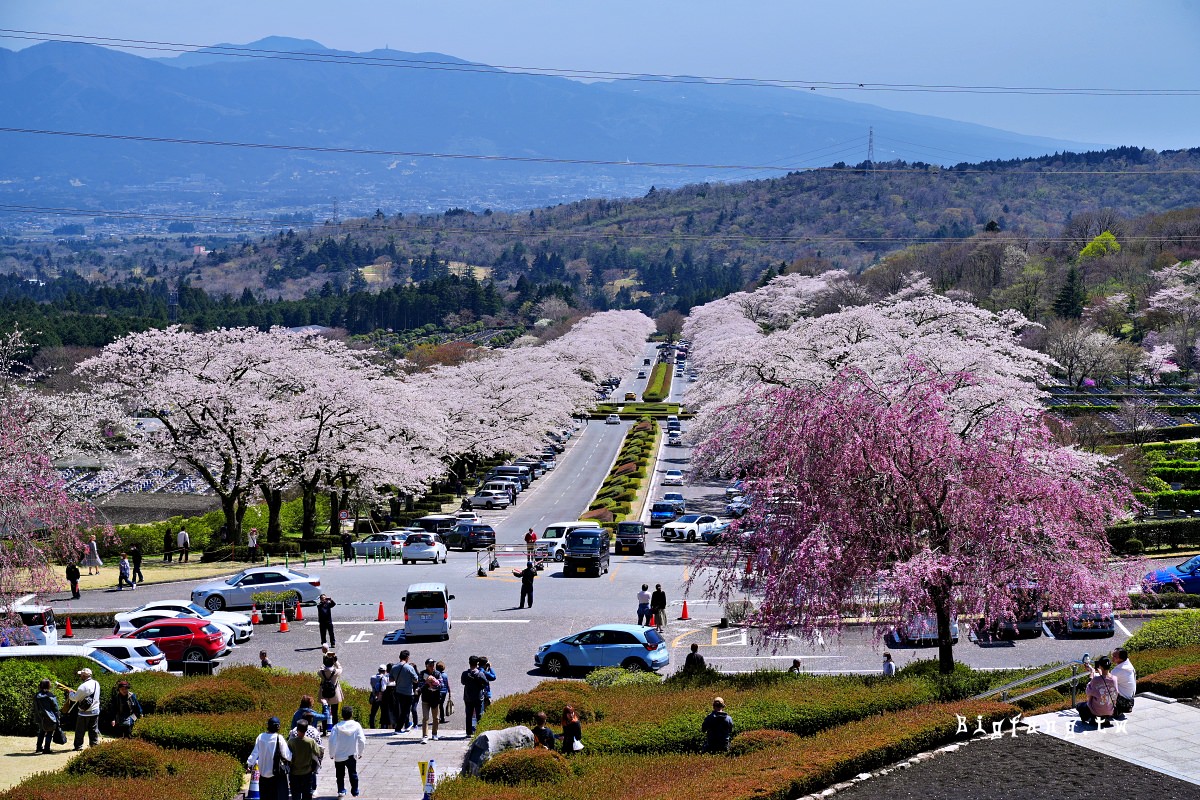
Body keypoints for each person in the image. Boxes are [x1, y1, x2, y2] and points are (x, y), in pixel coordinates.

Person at [247, 716, 291, 800]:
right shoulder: (279, 738)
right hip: (275, 774)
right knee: (275, 796)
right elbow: (287, 755)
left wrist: (249, 764)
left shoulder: (260, 737)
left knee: (264, 796)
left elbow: (255, 753)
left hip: (263, 775)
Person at [330, 705, 366, 798]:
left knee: (340, 775)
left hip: (339, 755)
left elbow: (332, 741)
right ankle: (355, 791)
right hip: (351, 754)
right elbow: (362, 740)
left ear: (342, 715)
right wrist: (360, 752)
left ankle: (341, 791)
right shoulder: (357, 725)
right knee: (353, 773)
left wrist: (332, 754)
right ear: (352, 714)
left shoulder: (336, 727)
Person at [1077, 655, 1119, 726]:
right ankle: (1104, 719)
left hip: (1096, 710)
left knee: (1079, 706)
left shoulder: (1096, 679)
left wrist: (1092, 674)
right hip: (1110, 710)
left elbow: (1088, 691)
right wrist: (1099, 673)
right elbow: (1105, 679)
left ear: (1100, 666)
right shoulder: (1114, 679)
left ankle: (1091, 718)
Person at [287, 717, 323, 800]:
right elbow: (318, 752)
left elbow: (287, 755)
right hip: (307, 772)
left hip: (294, 772)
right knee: (307, 794)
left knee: (295, 794)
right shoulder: (310, 742)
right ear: (306, 729)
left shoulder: (291, 742)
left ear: (297, 729)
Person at [69, 667, 101, 750]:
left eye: (81, 675)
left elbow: (74, 698)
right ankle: (94, 745)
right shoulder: (96, 683)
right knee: (93, 729)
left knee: (80, 730)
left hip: (84, 712)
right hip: (95, 711)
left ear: (83, 676)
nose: (80, 676)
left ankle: (78, 746)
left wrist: (70, 693)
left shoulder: (82, 686)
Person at [391, 651, 418, 734]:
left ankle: (406, 725)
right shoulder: (409, 668)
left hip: (398, 692)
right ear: (407, 658)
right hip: (408, 693)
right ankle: (398, 728)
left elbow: (391, 679)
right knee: (405, 711)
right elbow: (416, 679)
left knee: (402, 710)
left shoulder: (394, 667)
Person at [461, 655, 487, 737]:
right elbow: (486, 682)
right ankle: (479, 731)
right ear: (477, 664)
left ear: (469, 663)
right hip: (478, 697)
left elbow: (463, 682)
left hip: (468, 697)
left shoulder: (465, 674)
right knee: (479, 714)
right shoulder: (480, 674)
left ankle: (468, 732)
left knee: (468, 715)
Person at [319, 652, 344, 733]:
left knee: (324, 711)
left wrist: (325, 656)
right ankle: (335, 730)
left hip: (324, 693)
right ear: (332, 662)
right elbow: (340, 668)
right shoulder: (336, 672)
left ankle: (324, 730)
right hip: (334, 694)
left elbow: (321, 667)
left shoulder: (321, 672)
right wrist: (335, 661)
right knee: (335, 712)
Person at [33, 678, 59, 754]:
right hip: (50, 717)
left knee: (41, 731)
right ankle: (46, 748)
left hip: (40, 717)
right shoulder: (50, 696)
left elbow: (35, 707)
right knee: (49, 733)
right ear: (48, 686)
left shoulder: (37, 696)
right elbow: (55, 708)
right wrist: (58, 718)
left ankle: (38, 748)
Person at [419, 659, 442, 742]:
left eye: (433, 665)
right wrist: (427, 683)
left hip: (435, 699)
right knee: (425, 717)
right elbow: (420, 685)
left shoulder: (437, 673)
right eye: (430, 665)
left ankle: (434, 733)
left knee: (436, 718)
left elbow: (441, 685)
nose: (432, 667)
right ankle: (425, 736)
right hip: (425, 698)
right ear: (426, 666)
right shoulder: (422, 673)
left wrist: (434, 686)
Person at [1111, 647, 1137, 716]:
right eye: (1112, 655)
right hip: (1130, 700)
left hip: (1123, 702)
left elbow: (1105, 680)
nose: (1112, 657)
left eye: (1115, 656)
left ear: (1121, 659)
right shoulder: (1128, 665)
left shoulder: (1119, 670)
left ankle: (1109, 710)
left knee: (1103, 688)